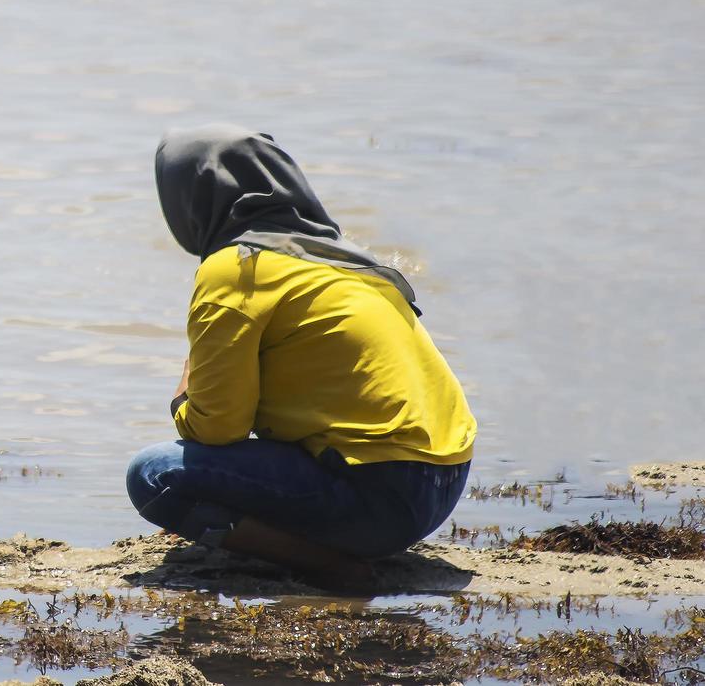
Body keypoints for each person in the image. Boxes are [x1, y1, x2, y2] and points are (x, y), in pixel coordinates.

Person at [125, 124, 476, 587]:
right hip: (444, 485)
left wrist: (187, 380)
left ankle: (329, 566)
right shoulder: (343, 259)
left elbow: (216, 426)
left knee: (154, 473)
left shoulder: (235, 266)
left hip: (379, 498)